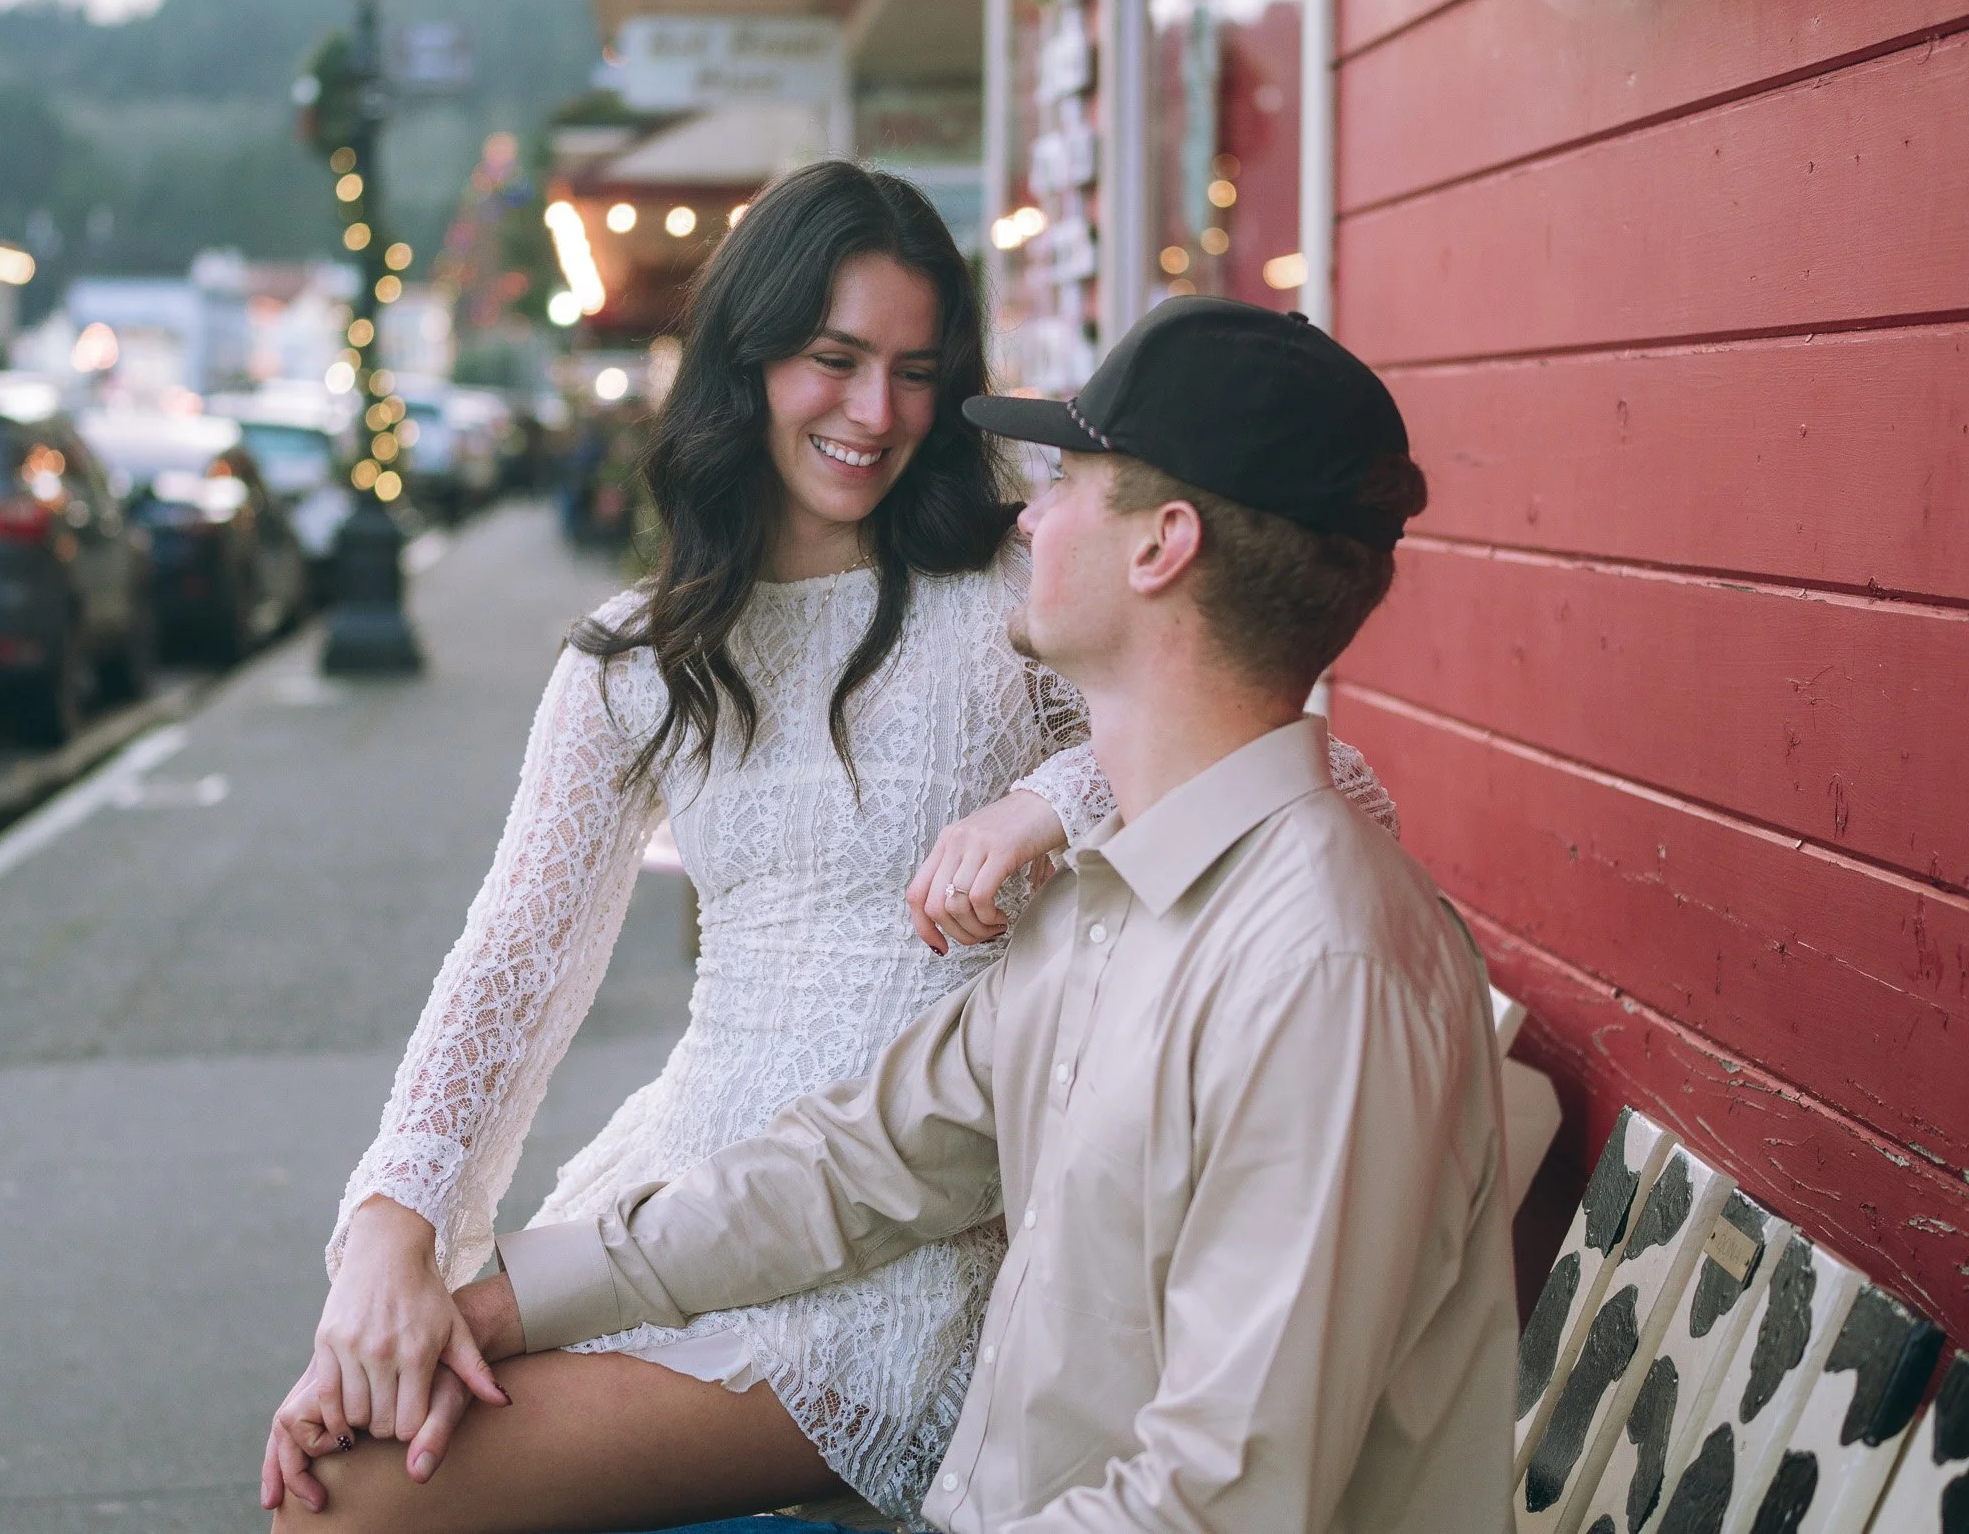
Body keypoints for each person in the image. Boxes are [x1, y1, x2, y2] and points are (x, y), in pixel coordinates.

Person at [262, 169, 1399, 1529]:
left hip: (907, 1253)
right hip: (696, 1200)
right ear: (748, 362)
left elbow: (1311, 776)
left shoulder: (1019, 602)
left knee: (352, 1498)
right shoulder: (640, 656)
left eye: (917, 371)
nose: (877, 413)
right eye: (835, 359)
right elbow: (516, 953)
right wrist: (395, 1222)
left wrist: (1052, 802)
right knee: (352, 1436)